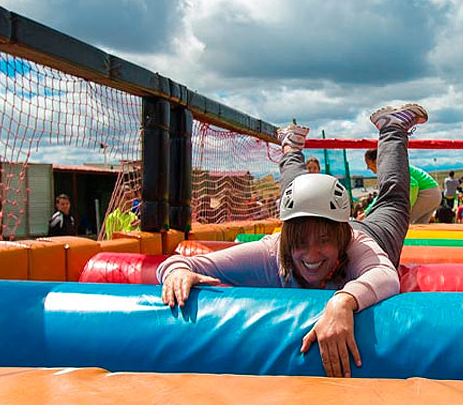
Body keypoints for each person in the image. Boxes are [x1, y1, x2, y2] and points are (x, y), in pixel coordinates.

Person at [157, 103, 425, 378]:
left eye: (323, 242)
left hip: (371, 234)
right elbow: (185, 263)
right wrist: (176, 271)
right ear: (288, 240)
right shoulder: (273, 249)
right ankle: (291, 148)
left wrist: (343, 301)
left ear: (340, 239)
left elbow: (386, 276)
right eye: (300, 243)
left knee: (393, 200)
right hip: (323, 225)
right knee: (299, 196)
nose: (311, 255)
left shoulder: (357, 247)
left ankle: (392, 127)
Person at [362, 150, 441, 224]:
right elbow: (382, 194)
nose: (367, 168)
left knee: (401, 222)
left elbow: (413, 185)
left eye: (368, 163)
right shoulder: (391, 166)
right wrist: (368, 211)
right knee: (418, 225)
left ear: (376, 161)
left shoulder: (391, 168)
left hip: (426, 193)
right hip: (432, 192)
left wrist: (406, 207)